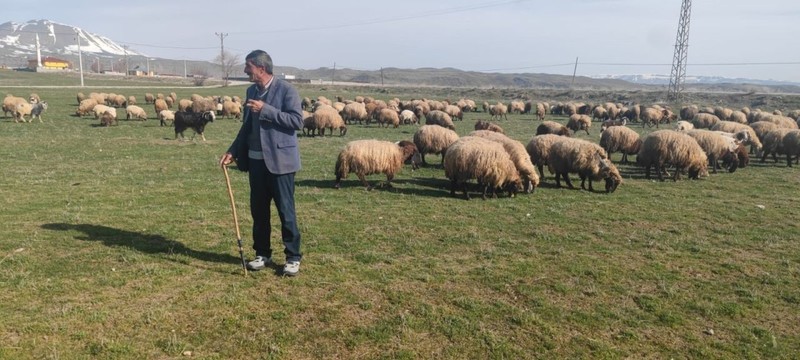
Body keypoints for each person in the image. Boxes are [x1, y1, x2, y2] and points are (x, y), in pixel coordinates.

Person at [219, 50, 304, 276]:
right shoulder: (251, 91)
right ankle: (262, 253)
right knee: (259, 211)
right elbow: (246, 126)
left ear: (261, 68)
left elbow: (297, 121)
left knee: (286, 210)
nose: (245, 71)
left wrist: (266, 110)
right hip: (256, 162)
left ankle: (293, 257)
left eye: (248, 67)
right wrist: (233, 150)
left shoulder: (286, 90)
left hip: (281, 163)